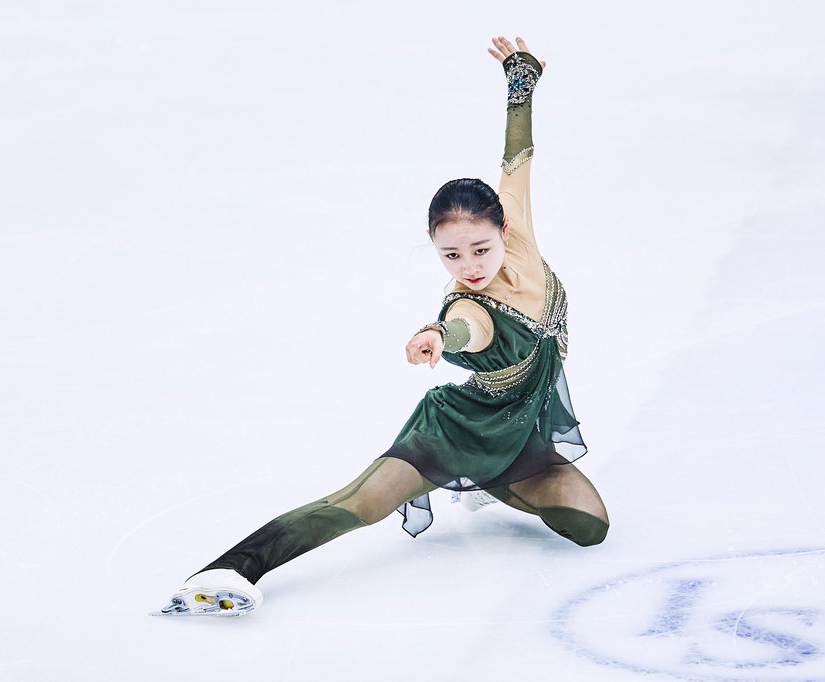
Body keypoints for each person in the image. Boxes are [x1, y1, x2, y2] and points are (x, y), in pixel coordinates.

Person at [157, 35, 609, 617]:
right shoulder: (467, 309)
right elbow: (464, 330)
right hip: (456, 430)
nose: (469, 266)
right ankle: (229, 569)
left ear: (503, 230)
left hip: (519, 433)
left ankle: (487, 482)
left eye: (479, 248)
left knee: (588, 525)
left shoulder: (517, 237)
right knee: (363, 503)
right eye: (451, 255)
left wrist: (520, 84)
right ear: (434, 248)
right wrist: (437, 338)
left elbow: (516, 160)